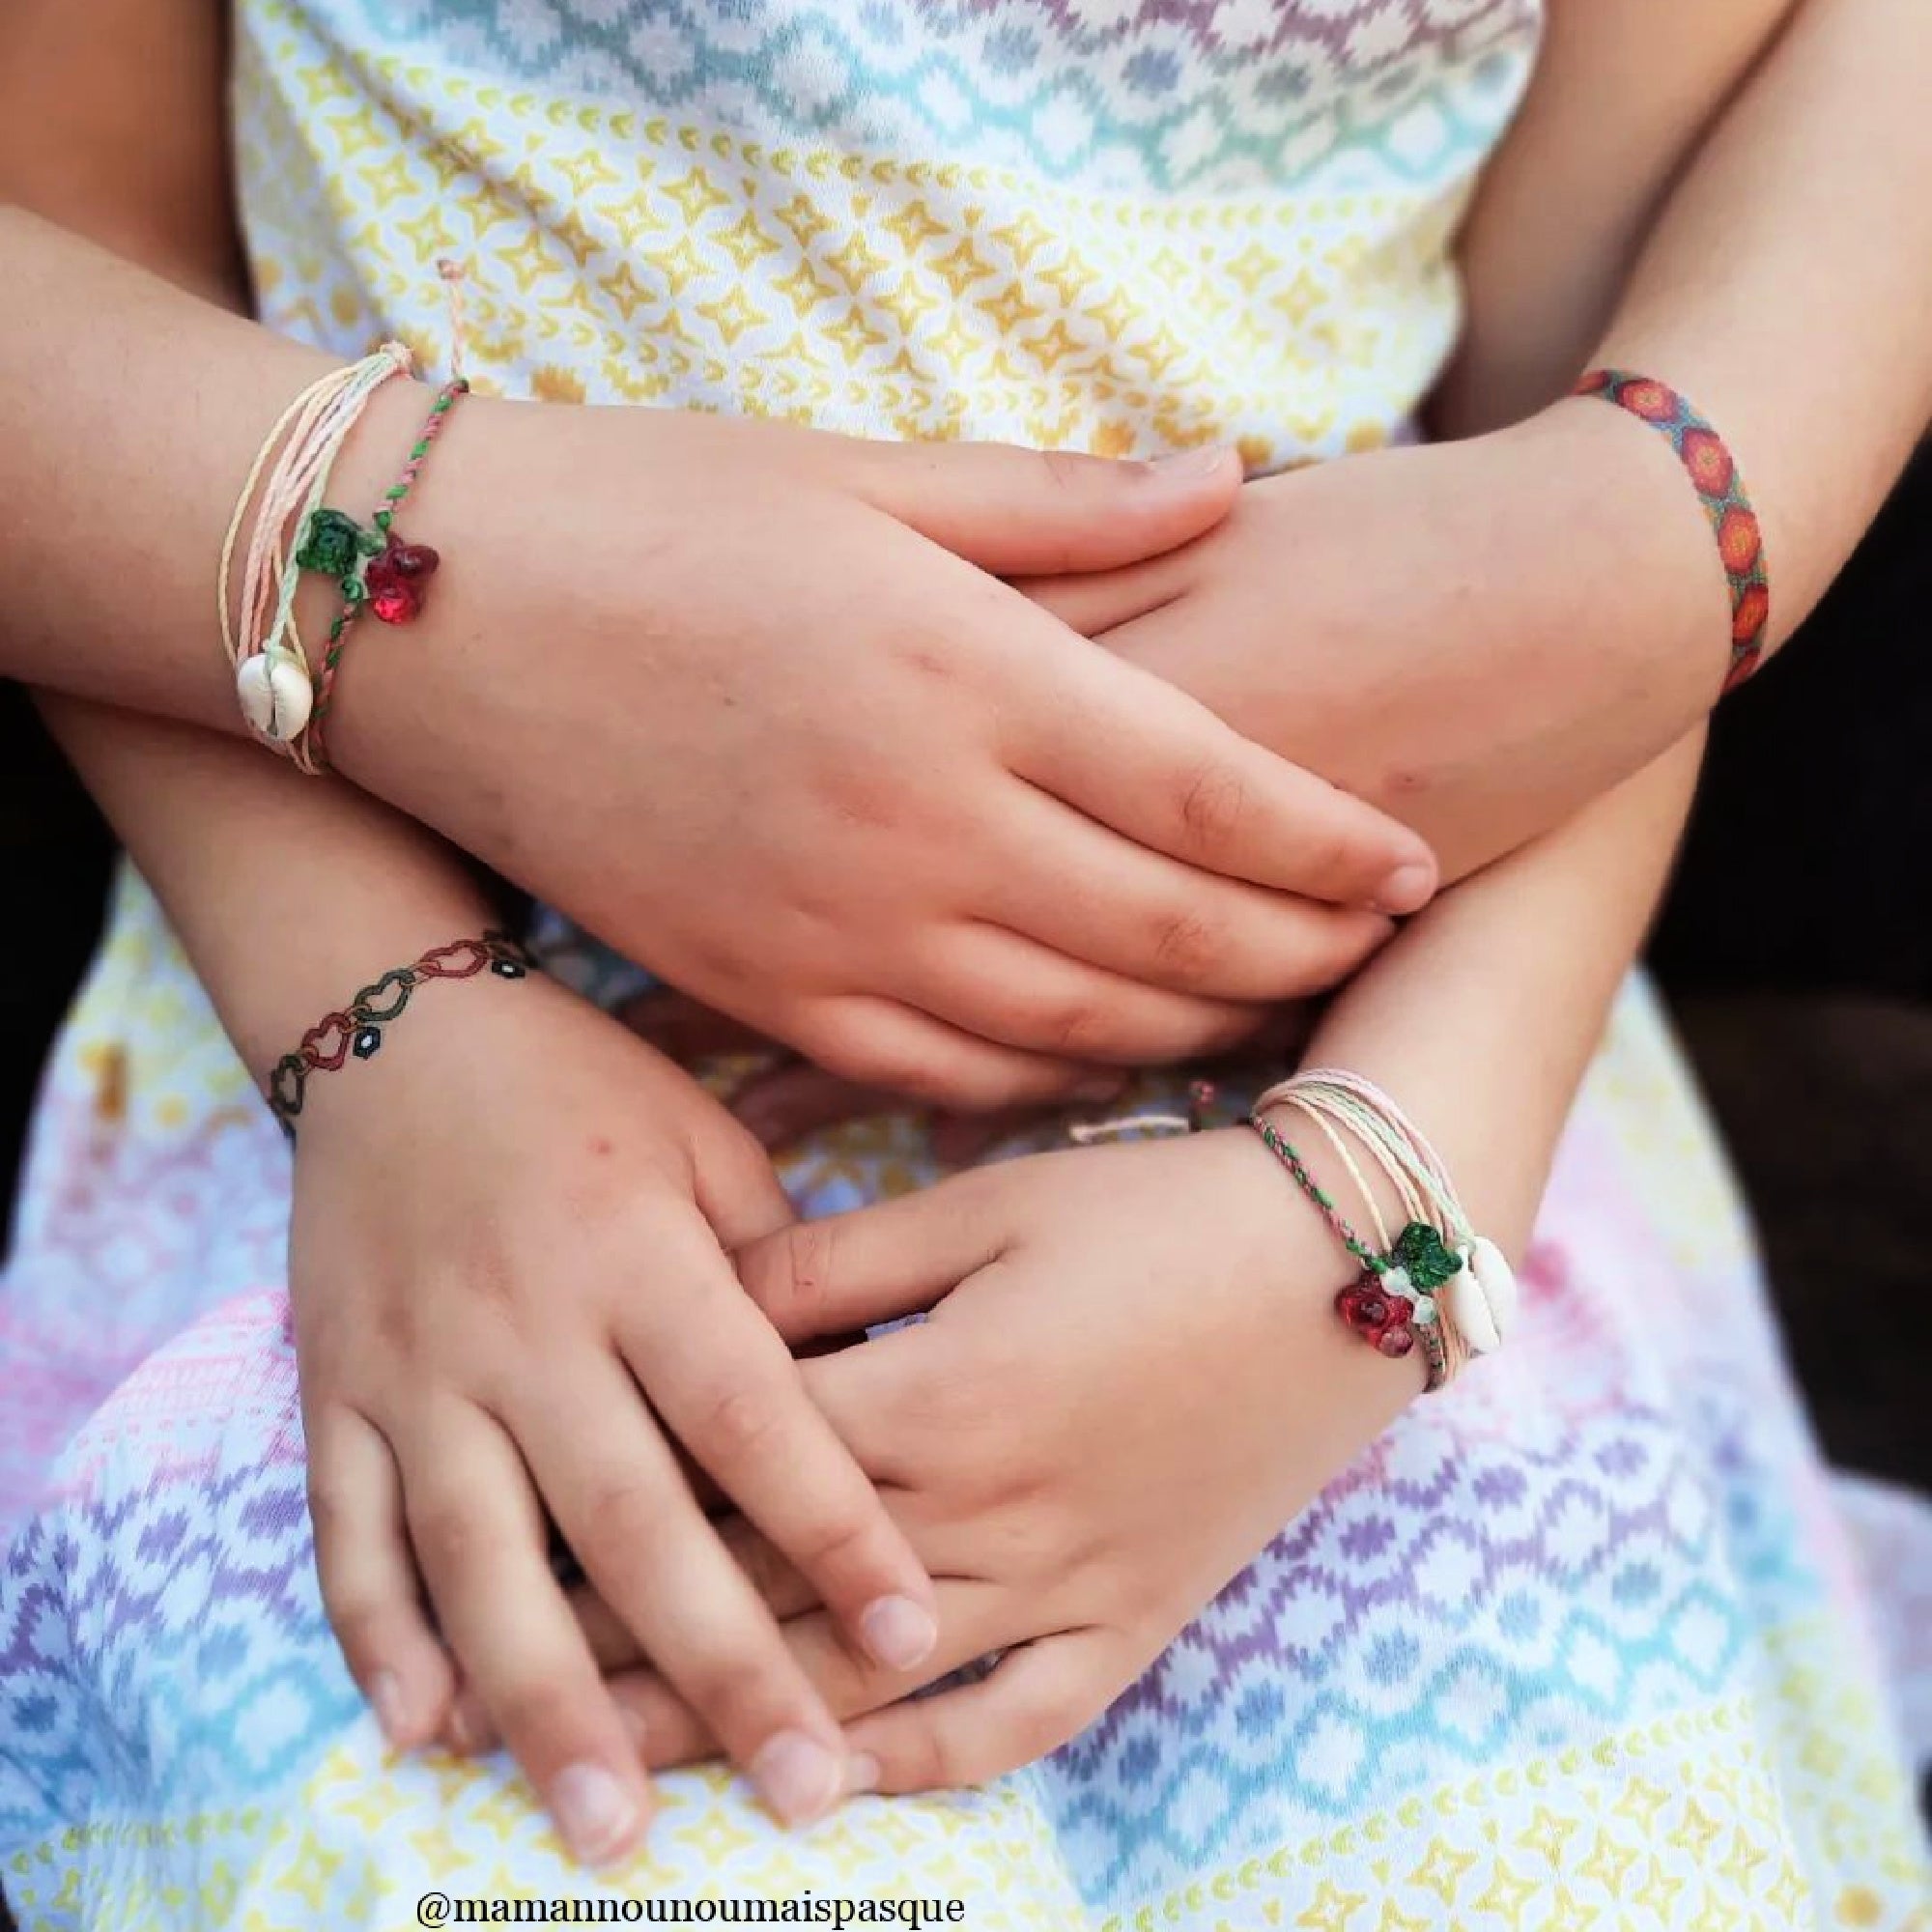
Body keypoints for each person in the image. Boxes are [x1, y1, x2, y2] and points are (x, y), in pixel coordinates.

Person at [2, 0, 1930, 1924]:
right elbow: (76, 229)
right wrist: (388, 1025)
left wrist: (1379, 1202)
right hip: (404, 1153)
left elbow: (1586, 563)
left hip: (1344, 1158)